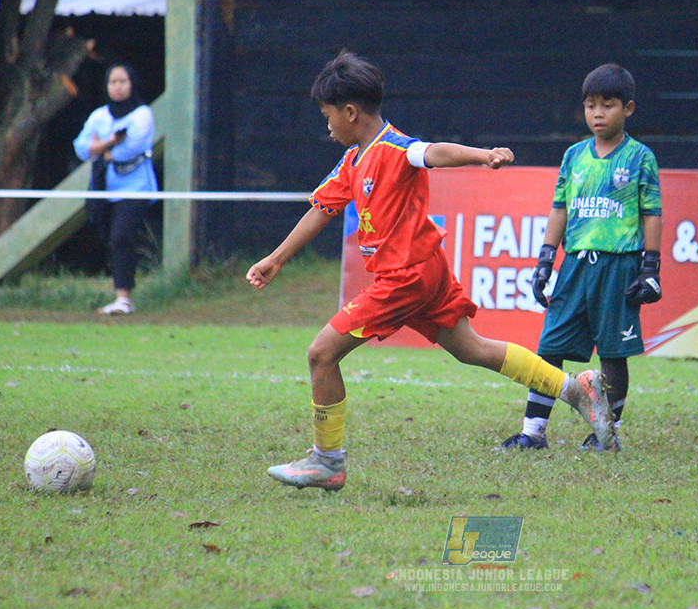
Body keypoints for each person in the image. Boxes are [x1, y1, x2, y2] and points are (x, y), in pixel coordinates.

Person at [247, 51, 615, 491]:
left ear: (350, 112)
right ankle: (576, 388)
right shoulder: (352, 160)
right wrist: (276, 258)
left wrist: (483, 156)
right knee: (472, 350)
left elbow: (434, 152)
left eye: (327, 115)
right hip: (425, 272)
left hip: (406, 278)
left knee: (320, 354)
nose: (326, 125)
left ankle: (327, 462)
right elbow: (322, 210)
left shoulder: (394, 147)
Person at [495, 63, 662, 453]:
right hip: (574, 268)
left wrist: (651, 268)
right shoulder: (573, 157)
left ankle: (607, 432)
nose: (598, 113)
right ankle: (533, 432)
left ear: (629, 109)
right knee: (550, 347)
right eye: (590, 105)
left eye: (608, 105)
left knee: (613, 353)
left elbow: (652, 213)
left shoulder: (640, 157)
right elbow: (560, 209)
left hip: (619, 266)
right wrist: (544, 261)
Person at [73, 63, 158, 315]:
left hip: (135, 188)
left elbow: (133, 146)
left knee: (121, 237)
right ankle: (121, 291)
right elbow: (80, 147)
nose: (118, 87)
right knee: (111, 239)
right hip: (104, 188)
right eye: (113, 82)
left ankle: (124, 298)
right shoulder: (100, 116)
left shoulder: (142, 114)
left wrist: (101, 149)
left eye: (123, 81)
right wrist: (109, 143)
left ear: (132, 83)